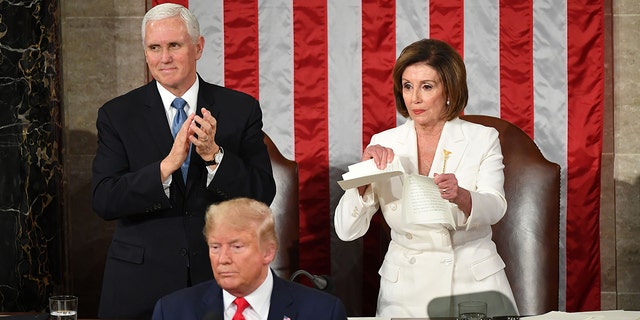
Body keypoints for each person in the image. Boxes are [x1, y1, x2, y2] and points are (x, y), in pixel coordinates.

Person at [91, 3, 276, 319]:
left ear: (198, 47)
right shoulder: (117, 115)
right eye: (154, 48)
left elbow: (262, 194)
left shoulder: (240, 109)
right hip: (138, 283)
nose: (164, 58)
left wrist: (213, 156)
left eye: (174, 45)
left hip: (215, 278)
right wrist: (165, 168)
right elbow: (105, 199)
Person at [334, 39, 518, 318]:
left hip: (471, 282)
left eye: (427, 87)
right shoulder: (384, 143)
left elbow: (496, 206)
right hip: (405, 287)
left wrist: (463, 197)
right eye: (407, 86)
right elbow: (346, 231)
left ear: (449, 90)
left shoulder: (483, 138)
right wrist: (363, 183)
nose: (414, 98)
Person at [151, 198, 348, 320]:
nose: (223, 259)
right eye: (215, 247)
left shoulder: (322, 312)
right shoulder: (172, 312)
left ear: (268, 252)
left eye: (236, 247)